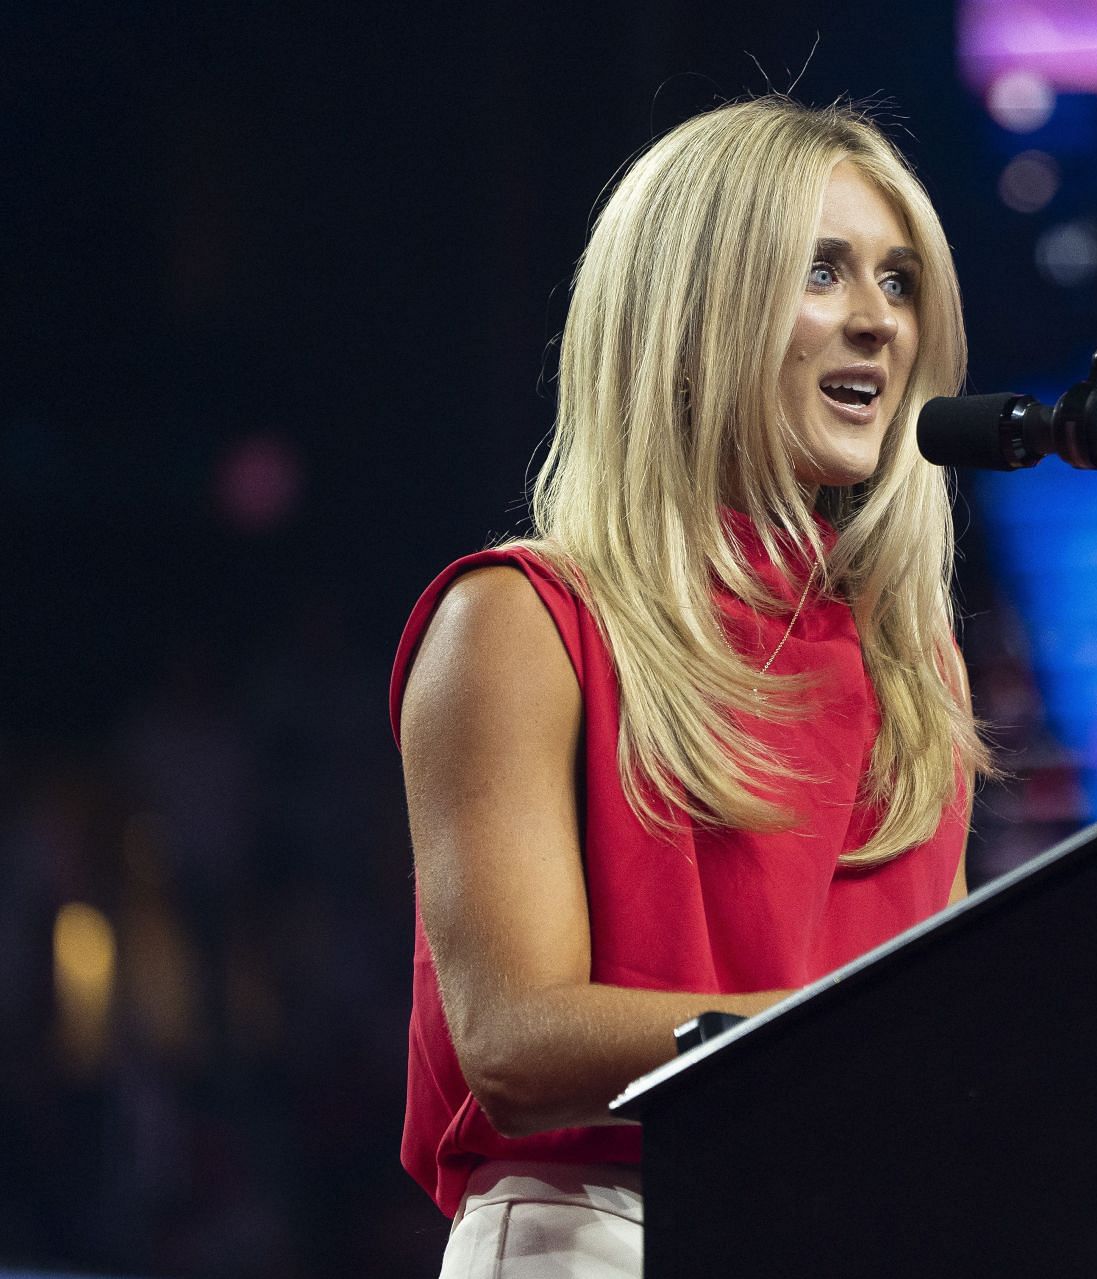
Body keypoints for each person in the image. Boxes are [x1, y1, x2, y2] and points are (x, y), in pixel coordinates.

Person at [388, 96, 991, 1277]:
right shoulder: (520, 620)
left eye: (901, 280)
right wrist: (850, 1044)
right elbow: (514, 1040)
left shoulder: (918, 672)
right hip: (603, 1231)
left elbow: (949, 1025)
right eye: (824, 270)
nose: (878, 321)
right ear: (694, 310)